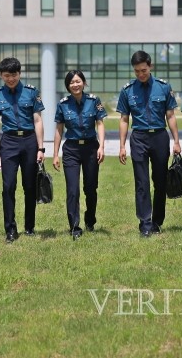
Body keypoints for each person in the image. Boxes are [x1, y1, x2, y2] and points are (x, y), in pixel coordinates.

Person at [117, 50, 181, 238]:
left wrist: (176, 140)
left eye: (143, 70)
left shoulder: (163, 87)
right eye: (136, 71)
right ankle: (144, 222)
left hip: (160, 137)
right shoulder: (127, 90)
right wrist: (122, 145)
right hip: (139, 138)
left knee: (160, 182)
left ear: (150, 66)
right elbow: (123, 119)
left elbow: (170, 115)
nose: (140, 74)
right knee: (141, 182)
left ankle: (157, 222)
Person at [0, 57, 46, 244]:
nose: (10, 79)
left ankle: (29, 227)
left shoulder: (31, 92)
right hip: (9, 142)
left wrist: (41, 147)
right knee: (8, 186)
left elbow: (38, 120)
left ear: (19, 74)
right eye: (7, 76)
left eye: (13, 75)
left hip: (29, 140)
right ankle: (10, 229)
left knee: (29, 186)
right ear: (1, 75)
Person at [52, 70, 107, 240]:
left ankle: (90, 220)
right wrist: (55, 154)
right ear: (68, 86)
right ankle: (75, 227)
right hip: (71, 150)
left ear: (83, 82)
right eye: (71, 83)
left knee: (90, 188)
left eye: (78, 81)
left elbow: (100, 123)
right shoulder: (63, 104)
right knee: (72, 190)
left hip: (91, 148)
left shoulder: (93, 101)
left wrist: (102, 147)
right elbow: (59, 130)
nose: (75, 85)